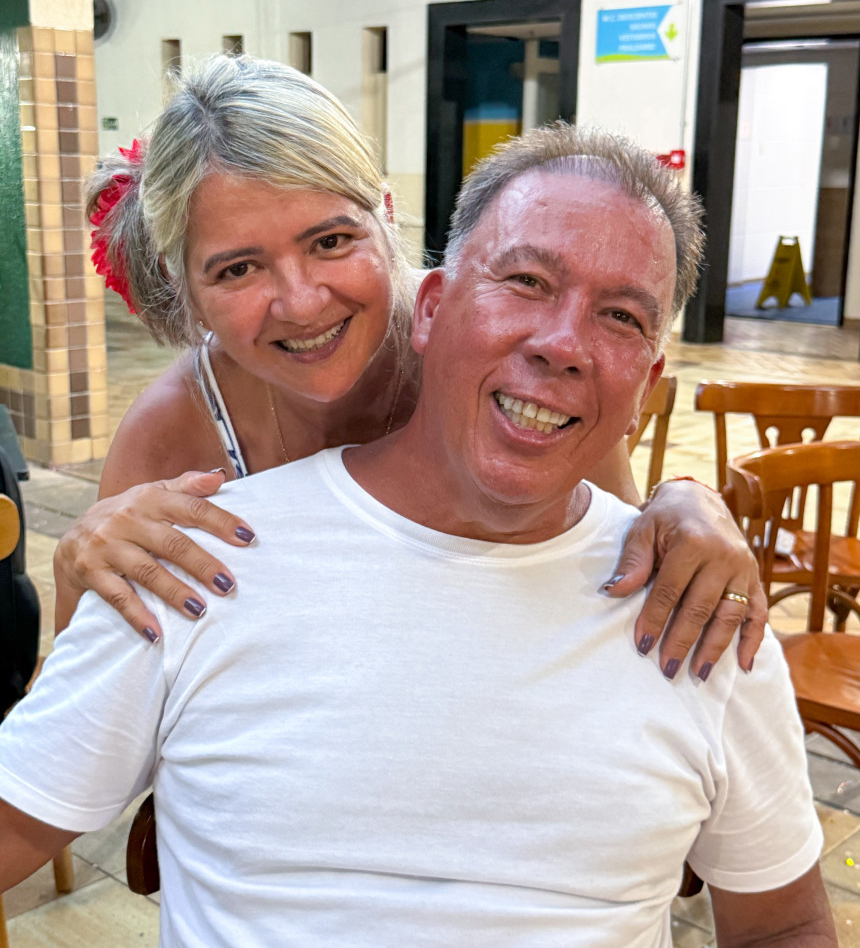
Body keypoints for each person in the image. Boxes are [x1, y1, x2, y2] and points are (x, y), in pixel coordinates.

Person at [0, 123, 840, 948]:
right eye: (526, 281)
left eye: (620, 315)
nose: (562, 343)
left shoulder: (691, 601)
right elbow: (34, 793)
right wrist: (86, 563)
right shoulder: (191, 545)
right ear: (434, 308)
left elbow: (782, 929)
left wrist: (688, 500)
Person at [53, 54, 764, 680]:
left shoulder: (489, 351)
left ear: (387, 217)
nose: (302, 303)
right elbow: (84, 695)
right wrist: (77, 563)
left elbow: (605, 547)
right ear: (183, 285)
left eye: (331, 241)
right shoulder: (173, 430)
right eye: (238, 268)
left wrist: (683, 506)